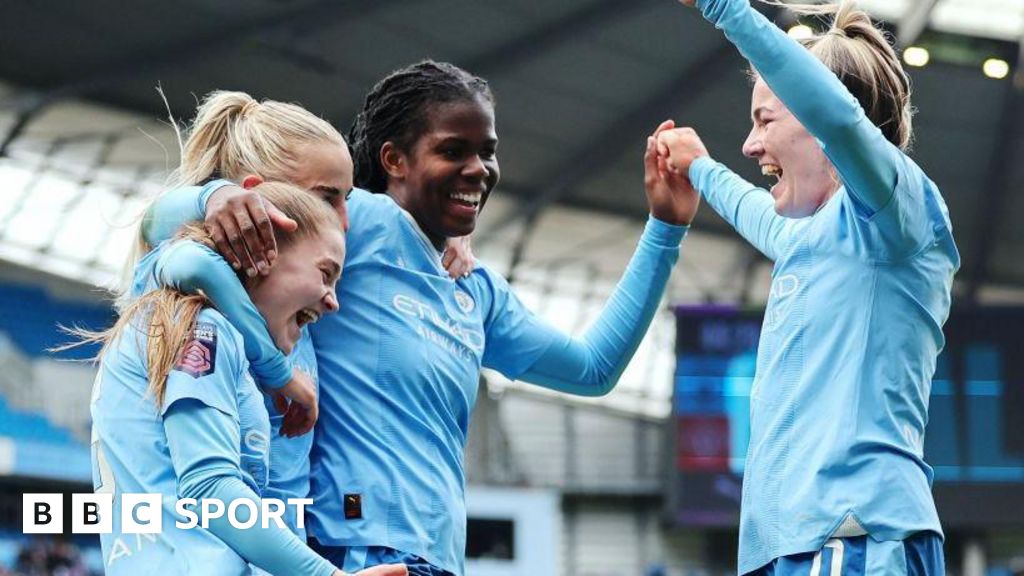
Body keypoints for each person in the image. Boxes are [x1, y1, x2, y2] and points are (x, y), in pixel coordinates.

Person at [143, 60, 699, 575]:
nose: (478, 169)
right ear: (393, 161)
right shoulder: (352, 221)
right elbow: (161, 226)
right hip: (347, 552)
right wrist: (213, 198)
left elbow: (593, 369)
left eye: (488, 151)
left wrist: (665, 228)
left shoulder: (474, 290)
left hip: (437, 560)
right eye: (454, 150)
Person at [656, 1, 958, 574]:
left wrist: (727, 10)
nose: (749, 144)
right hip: (791, 548)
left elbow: (842, 121)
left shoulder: (901, 214)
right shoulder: (815, 236)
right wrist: (697, 167)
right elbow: (756, 215)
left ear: (820, 118)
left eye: (765, 120)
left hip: (856, 537)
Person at [86, 182, 402, 576]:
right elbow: (209, 490)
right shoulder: (203, 328)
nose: (333, 300)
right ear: (263, 250)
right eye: (326, 273)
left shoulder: (168, 316)